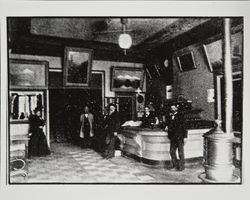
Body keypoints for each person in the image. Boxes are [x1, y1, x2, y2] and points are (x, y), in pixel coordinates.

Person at [165, 103, 186, 171]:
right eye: (172, 108)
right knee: (172, 151)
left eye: (174, 108)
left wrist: (185, 137)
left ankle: (181, 167)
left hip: (180, 136)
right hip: (173, 137)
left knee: (180, 152)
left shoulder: (181, 115)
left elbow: (184, 127)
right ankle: (175, 166)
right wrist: (166, 126)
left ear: (176, 108)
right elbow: (166, 124)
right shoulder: (169, 116)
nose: (173, 109)